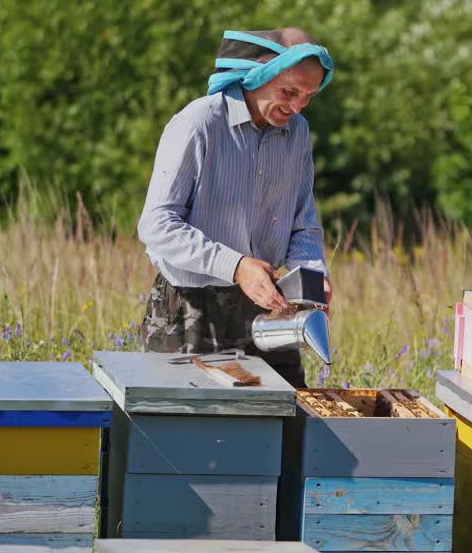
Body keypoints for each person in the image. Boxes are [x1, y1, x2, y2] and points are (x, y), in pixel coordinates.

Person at [136, 27, 334, 388]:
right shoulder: (199, 124)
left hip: (268, 307)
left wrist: (311, 272)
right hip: (190, 310)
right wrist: (236, 266)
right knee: (191, 434)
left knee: (284, 428)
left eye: (308, 96)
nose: (297, 106)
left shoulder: (299, 133)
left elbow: (303, 223)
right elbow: (157, 224)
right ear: (255, 76)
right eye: (289, 92)